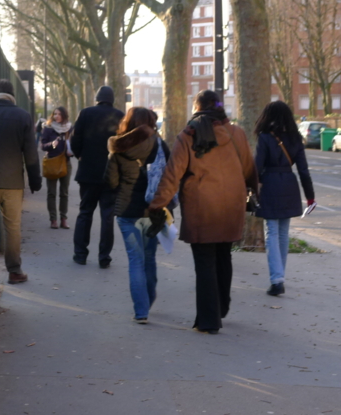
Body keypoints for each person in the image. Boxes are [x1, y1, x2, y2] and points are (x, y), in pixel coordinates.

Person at [148, 90, 258, 334]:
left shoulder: (188, 135)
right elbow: (249, 168)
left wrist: (157, 205)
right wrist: (254, 192)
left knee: (205, 262)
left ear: (197, 109)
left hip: (201, 209)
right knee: (223, 255)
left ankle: (208, 320)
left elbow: (172, 175)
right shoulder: (236, 133)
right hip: (232, 206)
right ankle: (221, 307)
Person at [104, 107, 170, 324]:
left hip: (126, 211)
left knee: (135, 260)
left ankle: (141, 311)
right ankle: (148, 299)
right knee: (149, 257)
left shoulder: (118, 147)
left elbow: (111, 182)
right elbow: (170, 176)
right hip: (153, 211)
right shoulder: (159, 144)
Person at [0, 79, 43, 284]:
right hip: (12, 181)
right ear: (12, 94)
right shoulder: (23, 116)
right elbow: (31, 154)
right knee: (12, 227)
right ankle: (15, 271)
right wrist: (35, 181)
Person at [253, 101, 315, 297]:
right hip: (289, 184)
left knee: (271, 232)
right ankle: (280, 276)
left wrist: (254, 187)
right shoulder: (296, 138)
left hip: (270, 185)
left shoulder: (264, 138)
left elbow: (257, 167)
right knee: (283, 232)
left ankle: (277, 279)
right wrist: (310, 196)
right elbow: (304, 171)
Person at [70, 86, 124, 267]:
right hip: (111, 173)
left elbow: (75, 140)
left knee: (85, 212)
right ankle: (104, 257)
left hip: (88, 172)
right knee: (107, 216)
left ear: (97, 98)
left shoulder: (85, 114)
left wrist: (80, 156)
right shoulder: (120, 116)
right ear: (112, 99)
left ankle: (80, 254)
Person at [40, 107, 73, 229]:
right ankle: (53, 219)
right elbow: (42, 146)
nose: (56, 116)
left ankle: (63, 219)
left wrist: (72, 151)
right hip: (52, 162)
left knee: (64, 193)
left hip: (65, 162)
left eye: (59, 114)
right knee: (51, 193)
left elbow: (73, 143)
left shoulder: (69, 128)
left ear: (64, 115)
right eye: (55, 114)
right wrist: (51, 145)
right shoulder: (48, 128)